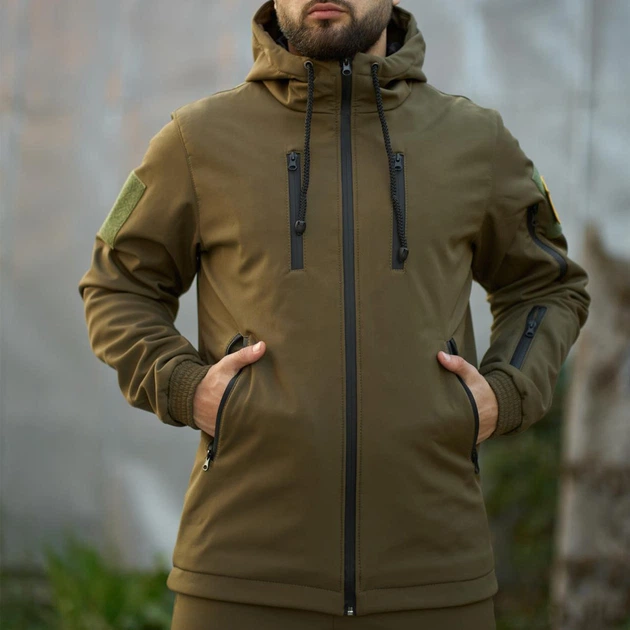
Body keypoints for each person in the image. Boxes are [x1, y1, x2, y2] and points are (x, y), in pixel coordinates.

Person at [78, 0, 590, 627]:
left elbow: (547, 285)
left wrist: (504, 392)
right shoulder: (197, 139)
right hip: (240, 579)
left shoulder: (475, 142)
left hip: (434, 578)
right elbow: (118, 284)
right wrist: (187, 387)